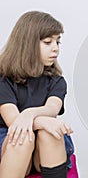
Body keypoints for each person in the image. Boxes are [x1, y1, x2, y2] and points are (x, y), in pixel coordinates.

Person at [0, 11, 73, 178]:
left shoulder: (56, 81)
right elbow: (14, 122)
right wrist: (41, 121)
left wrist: (29, 113)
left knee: (49, 133)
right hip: (11, 140)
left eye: (57, 42)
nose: (55, 48)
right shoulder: (3, 79)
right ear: (27, 44)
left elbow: (52, 108)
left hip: (44, 147)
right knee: (23, 137)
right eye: (48, 42)